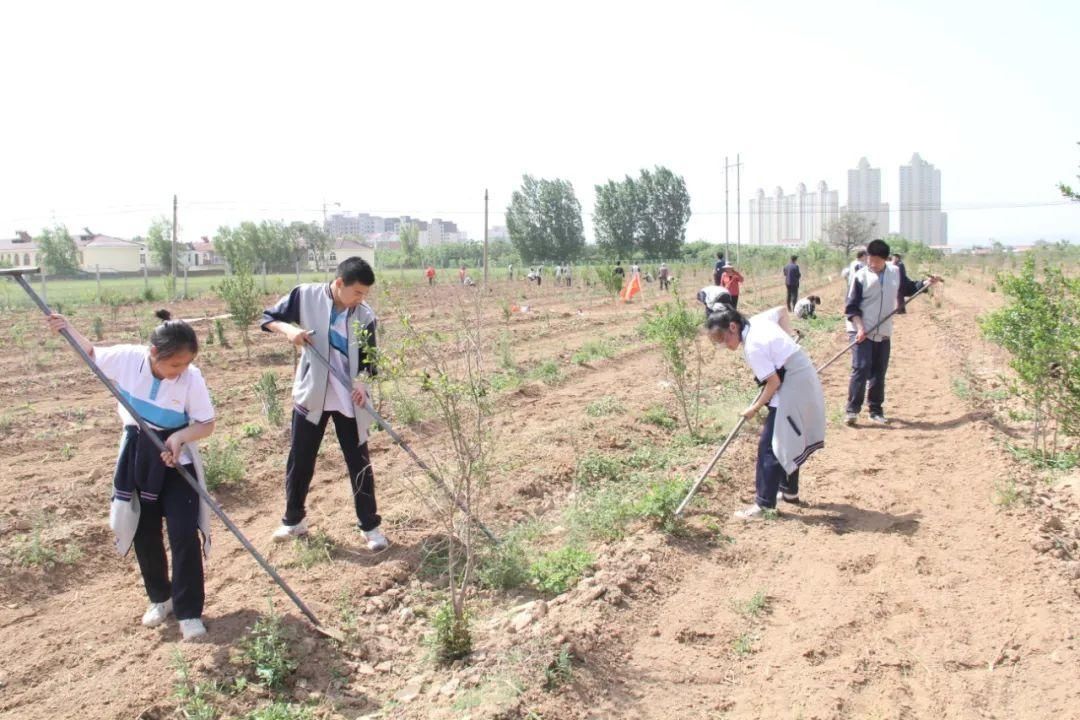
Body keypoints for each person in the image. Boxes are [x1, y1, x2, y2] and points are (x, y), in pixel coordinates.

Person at [45, 309, 216, 640]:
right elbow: (92, 354)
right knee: (145, 530)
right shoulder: (128, 358)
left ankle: (189, 611)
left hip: (176, 462)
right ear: (154, 353)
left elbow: (206, 424)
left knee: (183, 534)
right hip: (139, 454)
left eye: (185, 364)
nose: (180, 371)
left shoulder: (191, 378)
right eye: (174, 365)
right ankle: (160, 599)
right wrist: (67, 327)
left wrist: (180, 438)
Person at [261, 257, 388, 551]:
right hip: (313, 394)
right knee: (301, 458)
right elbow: (267, 318)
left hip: (349, 399)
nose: (361, 299)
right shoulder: (305, 296)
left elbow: (369, 361)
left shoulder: (365, 315)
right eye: (357, 292)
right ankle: (294, 520)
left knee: (359, 463)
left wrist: (361, 383)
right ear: (339, 283)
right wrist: (290, 331)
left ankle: (370, 526)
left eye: (365, 294)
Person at [706, 305, 826, 519]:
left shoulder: (753, 346)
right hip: (798, 374)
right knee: (788, 435)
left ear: (733, 327)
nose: (725, 345)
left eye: (723, 339)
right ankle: (789, 491)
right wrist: (787, 339)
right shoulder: (757, 320)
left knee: (770, 444)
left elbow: (773, 383)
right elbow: (781, 310)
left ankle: (764, 505)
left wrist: (754, 408)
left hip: (793, 382)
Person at [844, 239, 942, 425]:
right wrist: (860, 328)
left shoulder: (895, 272)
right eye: (870, 260)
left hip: (883, 329)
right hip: (860, 328)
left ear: (885, 259)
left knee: (879, 371)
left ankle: (875, 410)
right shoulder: (860, 276)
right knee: (862, 367)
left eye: (877, 261)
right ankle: (852, 410)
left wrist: (926, 283)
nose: (872, 264)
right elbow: (851, 308)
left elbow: (908, 287)